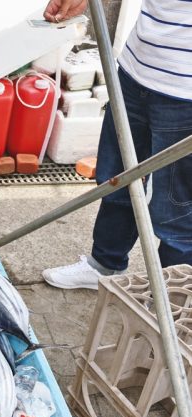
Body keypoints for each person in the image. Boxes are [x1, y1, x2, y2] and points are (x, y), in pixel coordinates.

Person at [42, 0, 192, 290]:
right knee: (118, 180)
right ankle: (104, 265)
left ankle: (173, 299)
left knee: (176, 208)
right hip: (136, 70)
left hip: (184, 95)